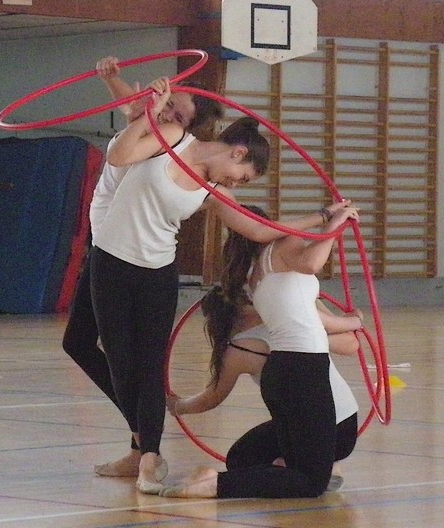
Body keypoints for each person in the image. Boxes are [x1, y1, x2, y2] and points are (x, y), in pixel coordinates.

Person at [88, 77, 357, 495]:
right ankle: (142, 446)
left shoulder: (212, 190)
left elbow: (260, 229)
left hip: (157, 271)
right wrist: (148, 115)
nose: (235, 184)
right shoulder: (173, 138)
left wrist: (324, 217)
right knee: (121, 361)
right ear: (237, 152)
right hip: (110, 260)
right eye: (242, 176)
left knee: (150, 364)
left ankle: (150, 456)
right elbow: (119, 155)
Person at [62, 56, 224, 480]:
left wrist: (149, 106)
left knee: (133, 361)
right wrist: (114, 79)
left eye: (177, 114)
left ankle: (145, 444)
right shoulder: (150, 121)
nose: (167, 113)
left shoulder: (163, 137)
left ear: (186, 127)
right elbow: (135, 109)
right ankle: (142, 434)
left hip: (128, 257)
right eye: (169, 105)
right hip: (105, 248)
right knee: (79, 343)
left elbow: (127, 137)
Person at [159, 200, 360, 499]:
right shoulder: (281, 247)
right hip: (304, 367)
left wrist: (351, 321)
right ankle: (215, 483)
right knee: (310, 483)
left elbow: (312, 318)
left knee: (290, 468)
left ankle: (251, 475)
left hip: (283, 371)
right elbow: (311, 263)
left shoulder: (256, 276)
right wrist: (332, 225)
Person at [166, 279, 362, 491]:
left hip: (330, 426)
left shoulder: (242, 348)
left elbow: (212, 397)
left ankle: (221, 482)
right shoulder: (289, 325)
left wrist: (178, 406)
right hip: (341, 423)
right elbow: (351, 344)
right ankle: (311, 467)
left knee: (306, 481)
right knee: (241, 458)